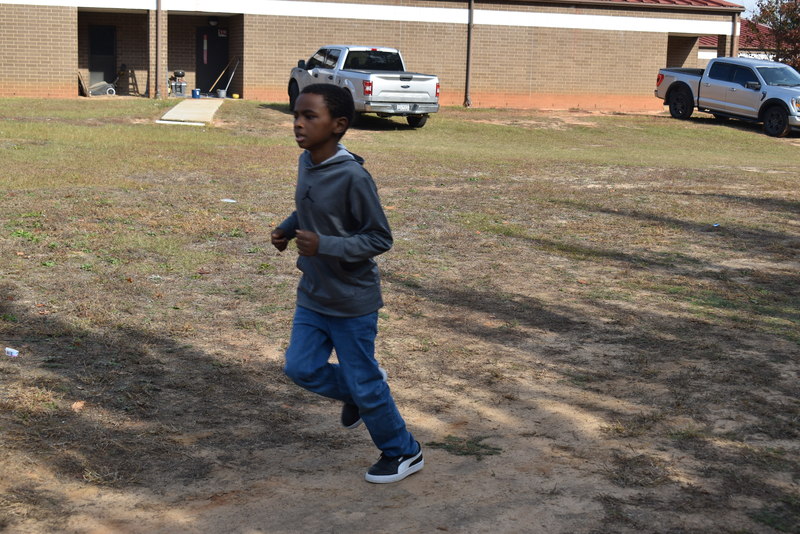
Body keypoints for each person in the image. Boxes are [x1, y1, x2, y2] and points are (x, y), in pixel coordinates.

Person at [271, 83, 423, 484]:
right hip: (314, 293)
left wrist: (326, 244)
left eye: (309, 117)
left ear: (338, 125)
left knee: (365, 382)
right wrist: (288, 228)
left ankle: (403, 451)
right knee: (300, 368)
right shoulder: (308, 161)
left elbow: (379, 238)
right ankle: (360, 389)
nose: (299, 124)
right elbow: (309, 205)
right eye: (296, 115)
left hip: (352, 301)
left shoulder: (354, 177)